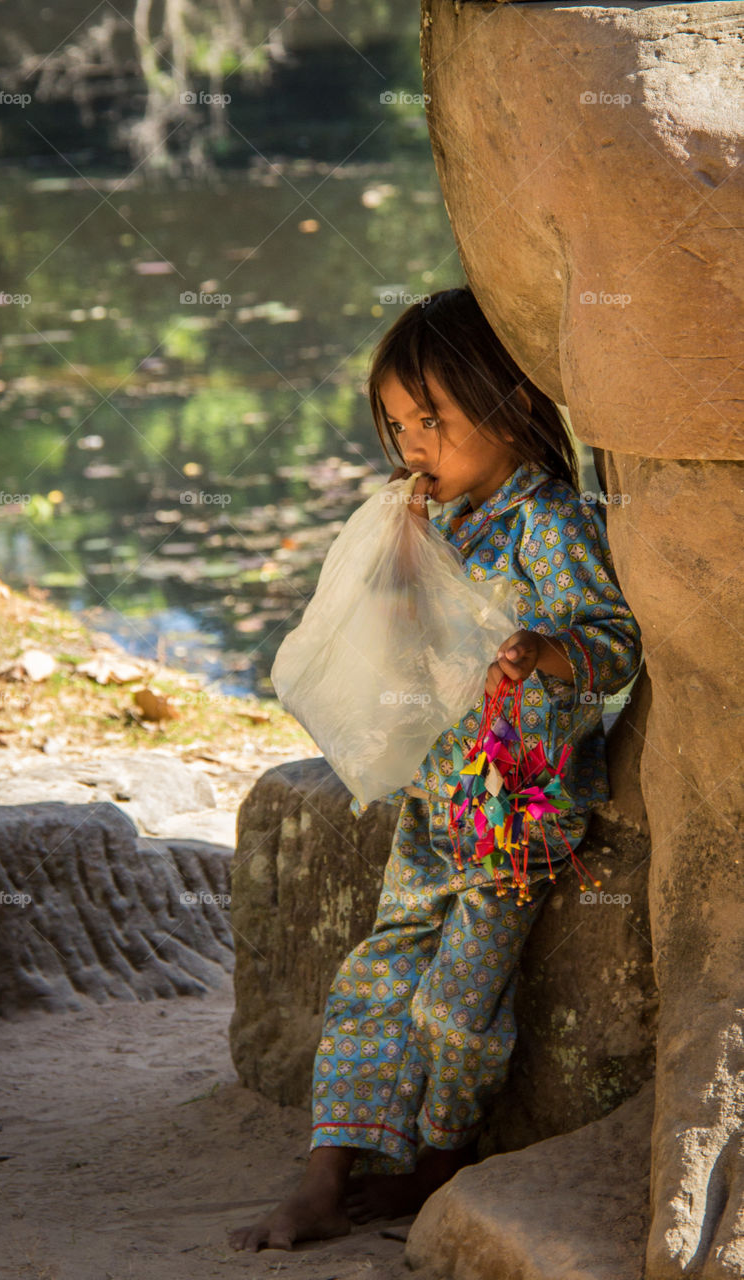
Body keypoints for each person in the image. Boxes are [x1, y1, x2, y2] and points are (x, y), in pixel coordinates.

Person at [229, 286, 643, 1252]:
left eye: (434, 421)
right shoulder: (430, 518)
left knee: (460, 1000)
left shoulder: (550, 523)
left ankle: (438, 1159)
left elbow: (616, 643)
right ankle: (326, 1171)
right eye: (398, 424)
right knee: (378, 970)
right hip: (436, 797)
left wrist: (546, 651)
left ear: (507, 408)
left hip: (519, 811)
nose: (413, 446)